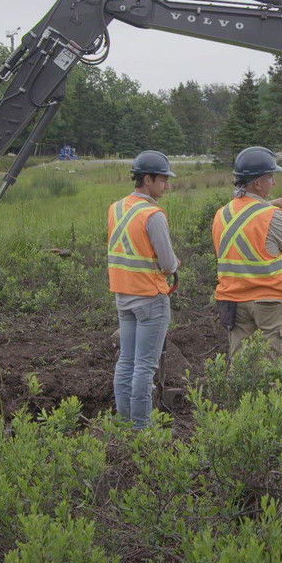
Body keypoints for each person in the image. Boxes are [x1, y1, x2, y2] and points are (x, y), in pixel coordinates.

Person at [213, 146, 282, 361]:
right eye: (270, 177)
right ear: (257, 183)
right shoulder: (271, 216)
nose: (273, 182)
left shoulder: (222, 214)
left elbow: (246, 215)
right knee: (278, 368)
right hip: (270, 300)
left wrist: (268, 205)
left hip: (233, 301)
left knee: (242, 367)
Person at [108, 150, 179, 429]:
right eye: (163, 179)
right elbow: (168, 262)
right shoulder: (153, 215)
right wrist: (174, 264)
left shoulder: (116, 208)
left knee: (126, 362)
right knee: (144, 367)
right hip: (150, 298)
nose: (167, 185)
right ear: (147, 179)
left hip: (123, 297)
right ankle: (141, 427)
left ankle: (125, 423)